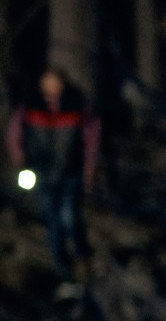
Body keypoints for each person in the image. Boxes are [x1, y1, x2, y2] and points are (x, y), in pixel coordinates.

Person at [7, 67, 101, 290]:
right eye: (47, 82)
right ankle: (63, 267)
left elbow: (91, 140)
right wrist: (20, 159)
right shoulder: (31, 104)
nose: (51, 87)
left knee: (69, 216)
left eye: (55, 82)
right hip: (41, 171)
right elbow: (15, 133)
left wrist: (89, 172)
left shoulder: (76, 105)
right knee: (52, 219)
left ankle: (82, 255)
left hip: (70, 171)